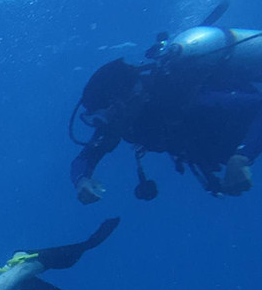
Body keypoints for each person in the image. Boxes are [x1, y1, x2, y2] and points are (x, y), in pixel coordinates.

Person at [70, 23, 262, 203]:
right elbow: (84, 158)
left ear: (125, 100)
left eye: (104, 115)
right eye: (96, 119)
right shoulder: (122, 121)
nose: (103, 124)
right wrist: (81, 180)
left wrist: (243, 156)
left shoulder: (183, 97)